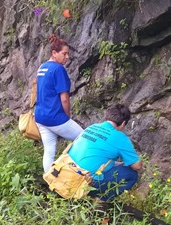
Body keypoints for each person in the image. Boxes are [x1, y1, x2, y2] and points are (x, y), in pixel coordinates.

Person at [68, 104, 143, 202]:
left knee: (114, 163)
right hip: (85, 182)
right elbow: (137, 166)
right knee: (132, 175)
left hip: (67, 173)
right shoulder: (120, 137)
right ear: (123, 123)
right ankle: (101, 199)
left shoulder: (92, 127)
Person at [35, 34, 83, 172]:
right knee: (84, 138)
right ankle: (79, 172)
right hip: (55, 117)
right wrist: (67, 116)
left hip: (40, 117)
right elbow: (64, 98)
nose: (67, 57)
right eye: (64, 54)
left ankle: (51, 183)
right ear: (54, 53)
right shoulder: (58, 69)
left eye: (68, 54)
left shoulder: (42, 67)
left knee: (49, 151)